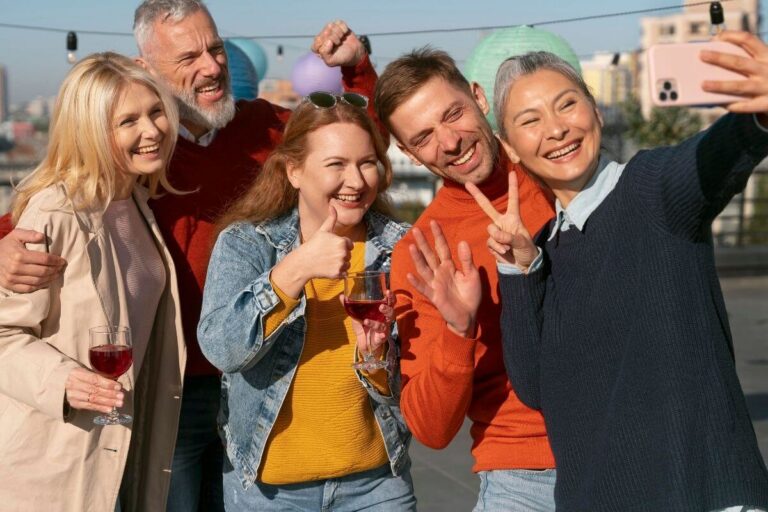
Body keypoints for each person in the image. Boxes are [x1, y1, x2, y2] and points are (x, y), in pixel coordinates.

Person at [0, 2, 377, 510]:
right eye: (189, 57)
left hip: (260, 373)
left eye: (216, 49)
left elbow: (362, 139)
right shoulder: (135, 153)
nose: (212, 66)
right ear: (146, 68)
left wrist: (356, 67)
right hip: (169, 387)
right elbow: (41, 212)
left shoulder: (265, 129)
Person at [450, 31, 768, 510]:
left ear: (595, 111)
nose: (555, 129)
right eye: (530, 120)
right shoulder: (542, 254)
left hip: (701, 494)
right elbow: (535, 387)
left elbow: (711, 158)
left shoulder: (650, 190)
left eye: (567, 105)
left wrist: (756, 119)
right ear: (510, 147)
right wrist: (519, 272)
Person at [196, 93, 414, 511]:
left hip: (376, 490)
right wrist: (294, 271)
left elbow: (412, 393)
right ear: (293, 170)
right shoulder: (247, 244)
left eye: (367, 162)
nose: (356, 181)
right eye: (337, 165)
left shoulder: (398, 248)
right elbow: (222, 349)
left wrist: (376, 358)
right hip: (270, 495)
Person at [373, 48, 557, 511]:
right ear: (408, 152)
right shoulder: (423, 252)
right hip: (528, 473)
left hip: (639, 443)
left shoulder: (559, 170)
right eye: (424, 137)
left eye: (453, 114)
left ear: (478, 96)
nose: (450, 142)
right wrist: (459, 331)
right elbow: (431, 428)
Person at [0, 52, 185, 512]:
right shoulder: (57, 213)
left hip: (116, 444)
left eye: (156, 111)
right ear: (90, 131)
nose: (152, 130)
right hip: (53, 457)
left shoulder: (136, 201)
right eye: (128, 121)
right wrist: (65, 380)